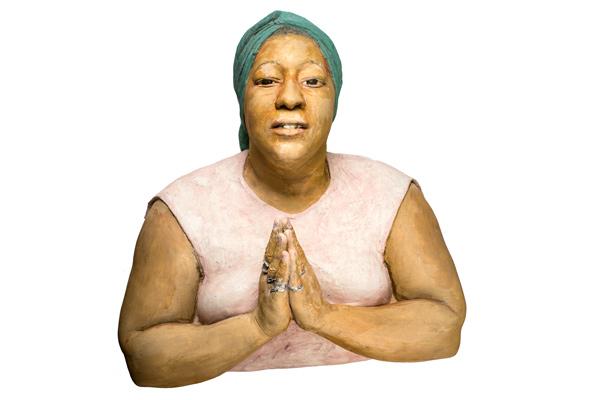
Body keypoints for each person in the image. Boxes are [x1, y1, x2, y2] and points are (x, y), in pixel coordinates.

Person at [118, 10, 466, 388]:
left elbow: (444, 326)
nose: (289, 97)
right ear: (242, 98)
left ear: (334, 99)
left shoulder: (391, 196)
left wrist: (323, 316)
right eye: (267, 80)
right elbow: (143, 354)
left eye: (312, 81)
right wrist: (258, 325)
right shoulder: (182, 210)